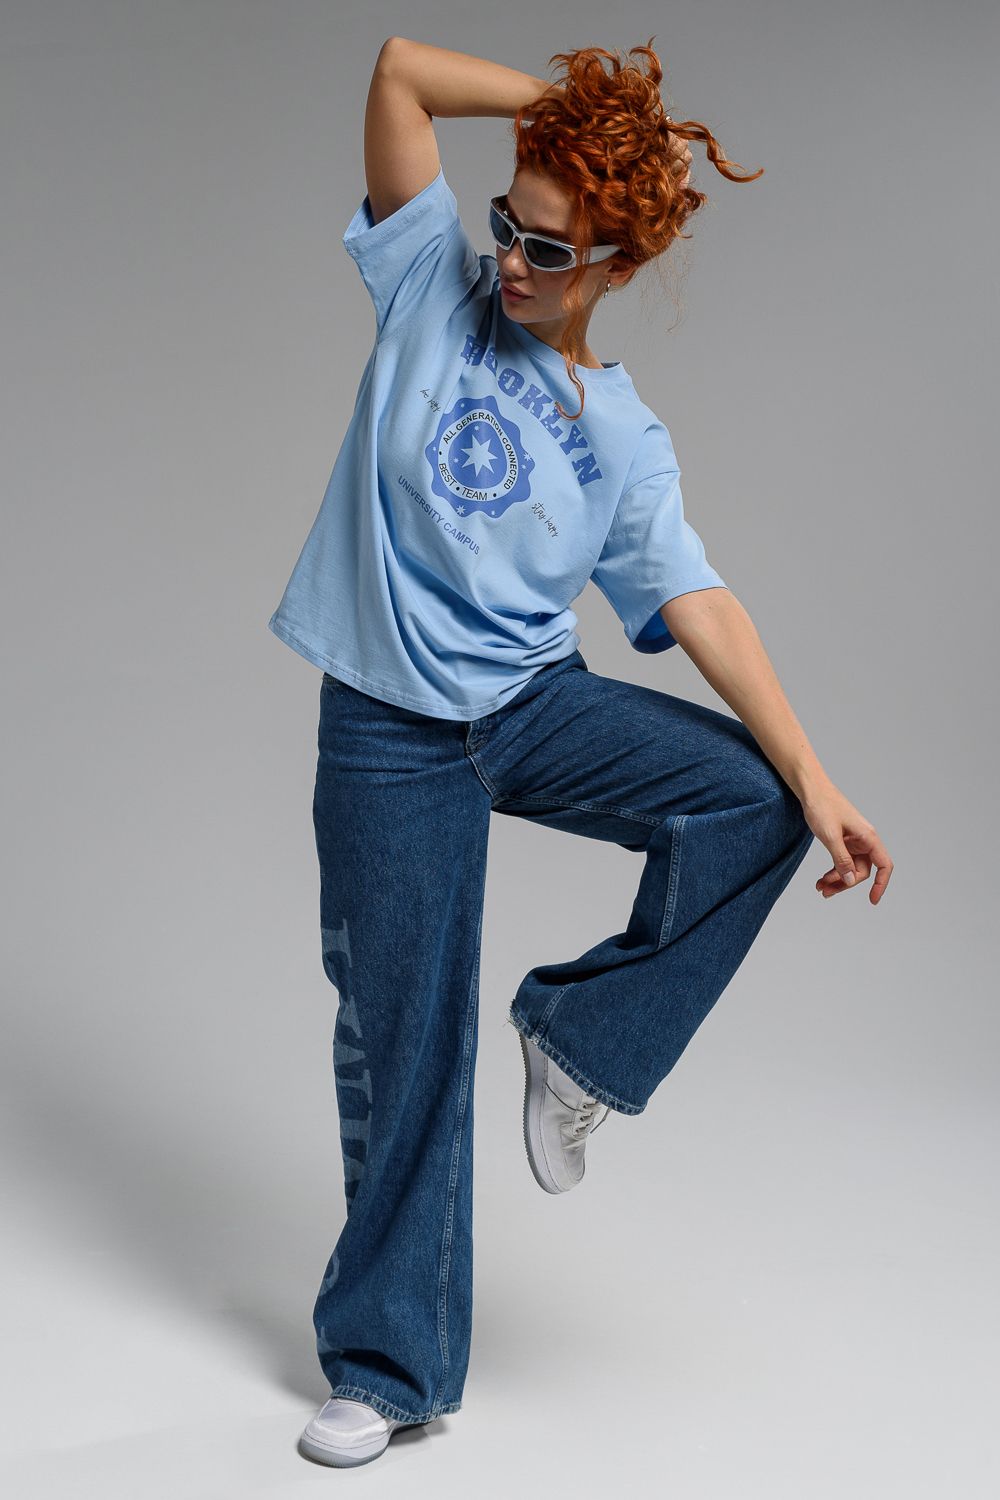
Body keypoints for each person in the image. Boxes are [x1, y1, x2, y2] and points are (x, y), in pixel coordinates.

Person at [268, 36, 894, 1469]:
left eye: (548, 250)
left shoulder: (623, 435)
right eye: (509, 224)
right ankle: (392, 1368)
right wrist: (566, 114)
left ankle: (580, 1041)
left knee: (755, 801)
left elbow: (700, 601)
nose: (512, 262)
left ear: (612, 263)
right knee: (403, 1039)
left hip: (531, 708)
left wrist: (820, 778)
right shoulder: (427, 286)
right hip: (388, 732)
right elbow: (398, 75)